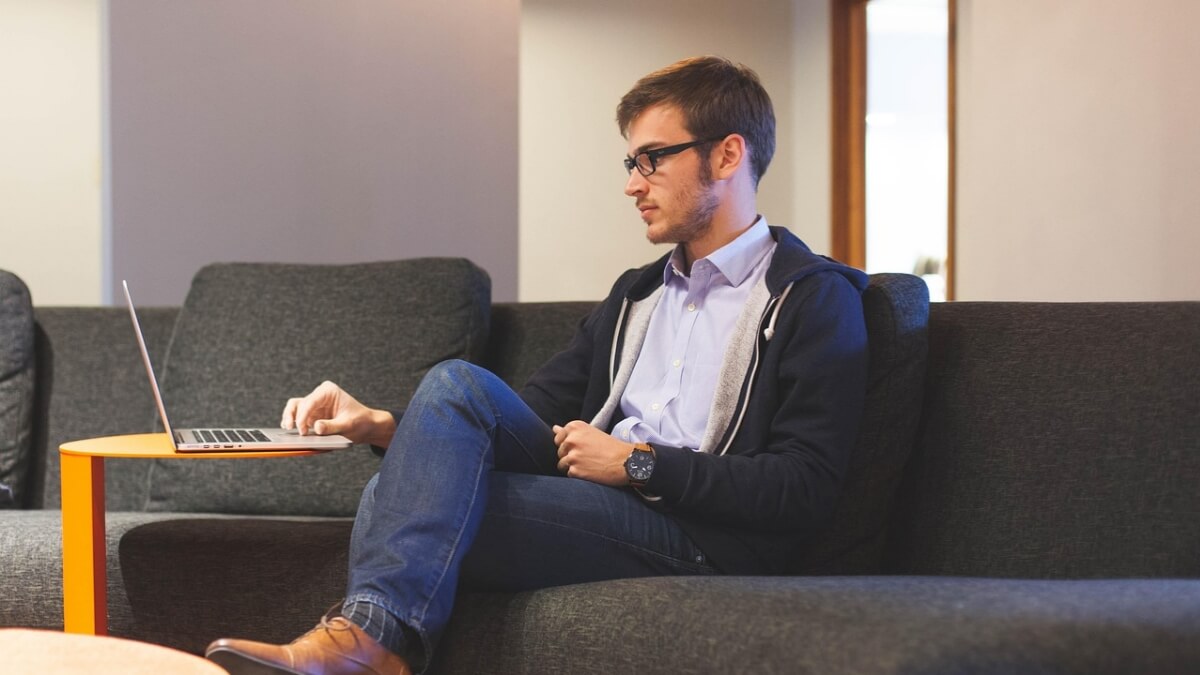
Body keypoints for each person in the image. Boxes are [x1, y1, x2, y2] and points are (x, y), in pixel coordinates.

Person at [206, 55, 868, 675]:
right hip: (603, 498)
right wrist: (380, 424)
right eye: (630, 161)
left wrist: (635, 463)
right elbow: (523, 415)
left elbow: (803, 486)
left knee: (401, 498)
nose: (632, 183)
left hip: (705, 536)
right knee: (455, 389)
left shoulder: (810, 297)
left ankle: (371, 645)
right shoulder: (638, 293)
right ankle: (373, 646)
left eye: (653, 159)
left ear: (728, 154)